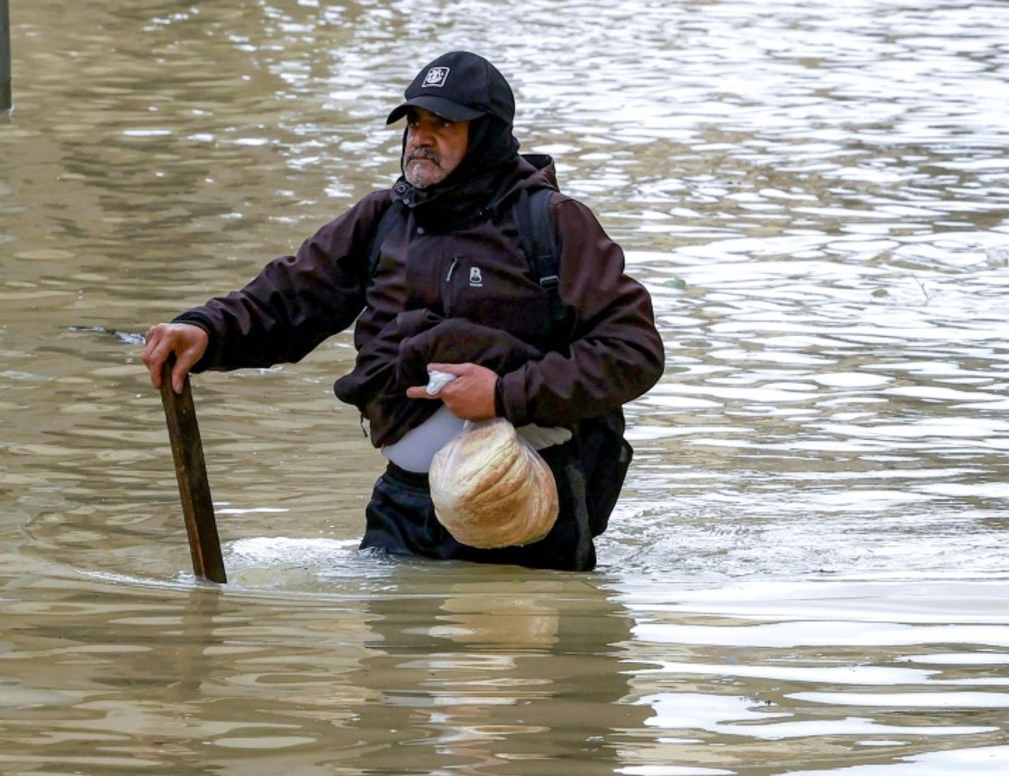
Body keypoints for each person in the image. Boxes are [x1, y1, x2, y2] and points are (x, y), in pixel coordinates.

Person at [141, 51, 664, 571]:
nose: (421, 137)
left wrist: (504, 394)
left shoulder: (552, 223)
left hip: (526, 506)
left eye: (444, 124)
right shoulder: (382, 218)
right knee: (394, 651)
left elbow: (632, 351)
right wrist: (205, 330)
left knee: (523, 649)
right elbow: (290, 296)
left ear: (486, 136)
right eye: (415, 121)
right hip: (404, 508)